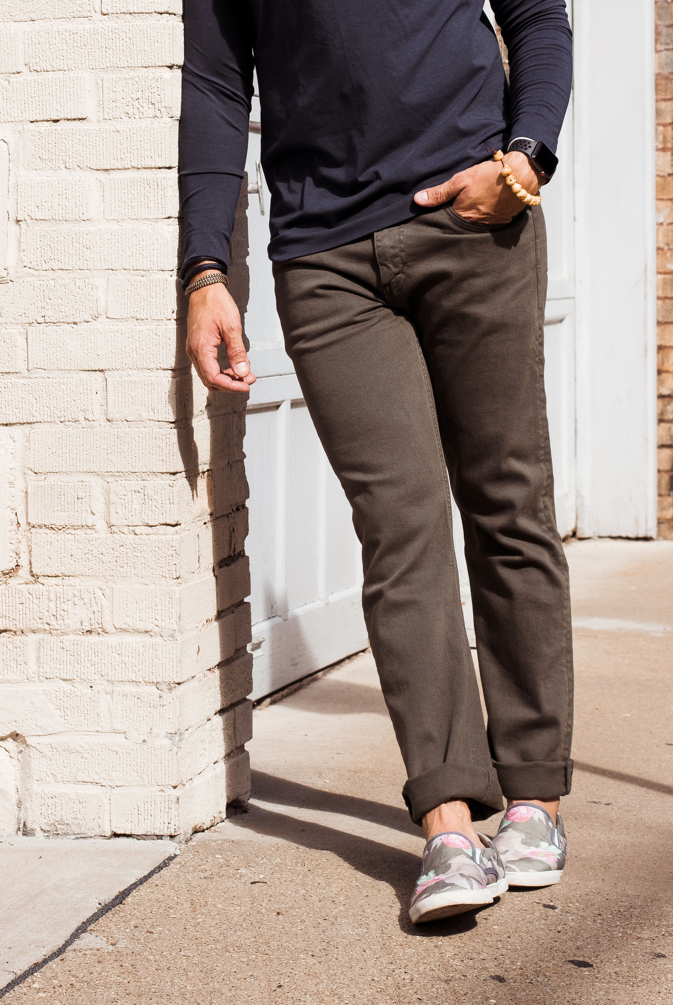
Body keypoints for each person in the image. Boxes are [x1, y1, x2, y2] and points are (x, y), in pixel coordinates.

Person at [179, 0, 574, 924]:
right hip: (326, 260)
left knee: (505, 500)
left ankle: (533, 796)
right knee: (399, 526)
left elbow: (536, 17)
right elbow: (215, 85)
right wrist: (204, 270)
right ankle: (447, 824)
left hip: (475, 225)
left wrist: (524, 159)